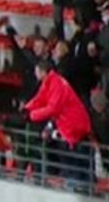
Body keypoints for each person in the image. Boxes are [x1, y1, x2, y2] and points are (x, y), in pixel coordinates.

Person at [24, 58, 94, 187]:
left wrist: (33, 115)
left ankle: (79, 183)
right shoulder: (49, 82)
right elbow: (40, 98)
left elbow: (53, 108)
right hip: (68, 127)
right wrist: (27, 108)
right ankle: (73, 180)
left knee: (76, 161)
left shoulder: (57, 84)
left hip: (74, 127)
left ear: (42, 71)